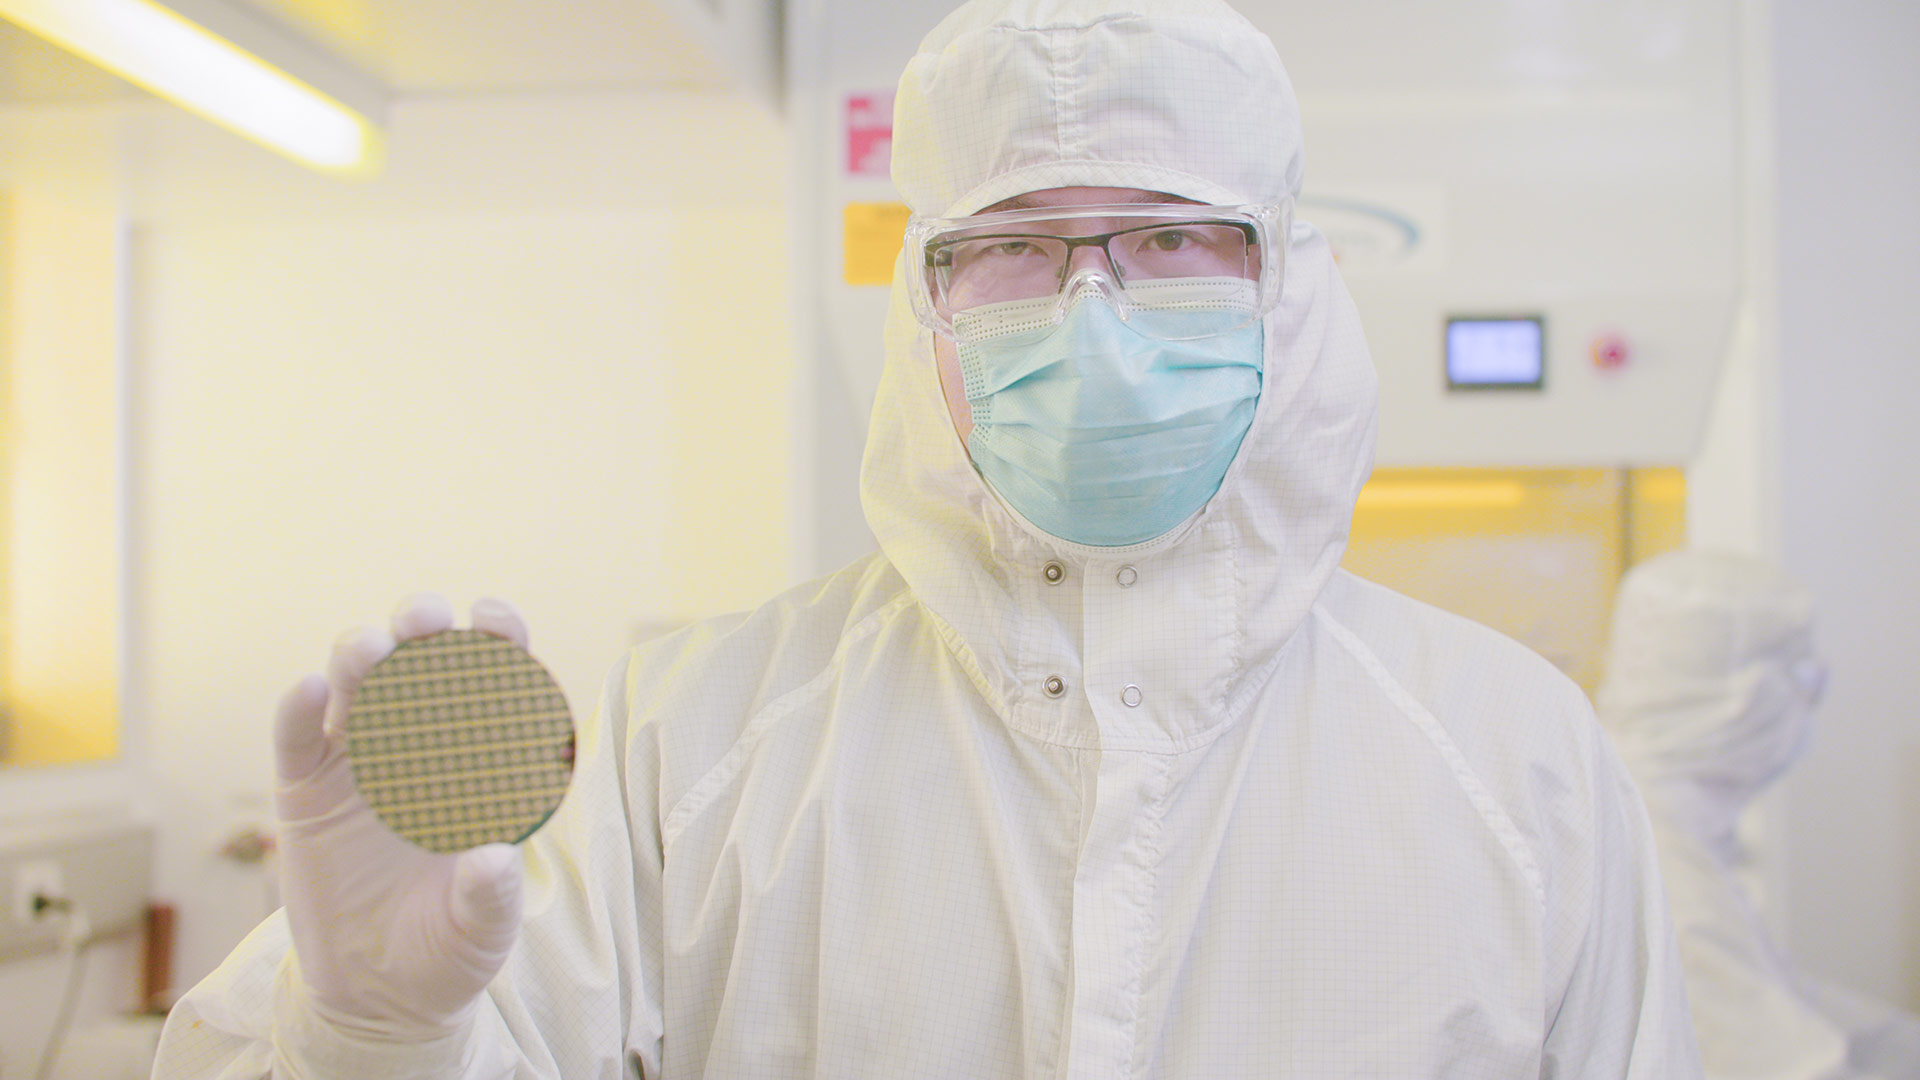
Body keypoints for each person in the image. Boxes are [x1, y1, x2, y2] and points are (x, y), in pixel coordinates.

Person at [153, 0, 1702, 1075]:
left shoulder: (1522, 772)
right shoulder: (687, 744)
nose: (1093, 312)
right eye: (1017, 250)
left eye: (1167, 238)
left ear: (1284, 283)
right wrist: (367, 1039)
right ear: (926, 307)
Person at [1597, 550, 1920, 1080]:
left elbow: (1791, 1001)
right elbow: (1788, 1066)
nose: (1808, 708)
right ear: (1747, 697)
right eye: (1808, 683)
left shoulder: (1644, 816)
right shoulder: (1665, 874)